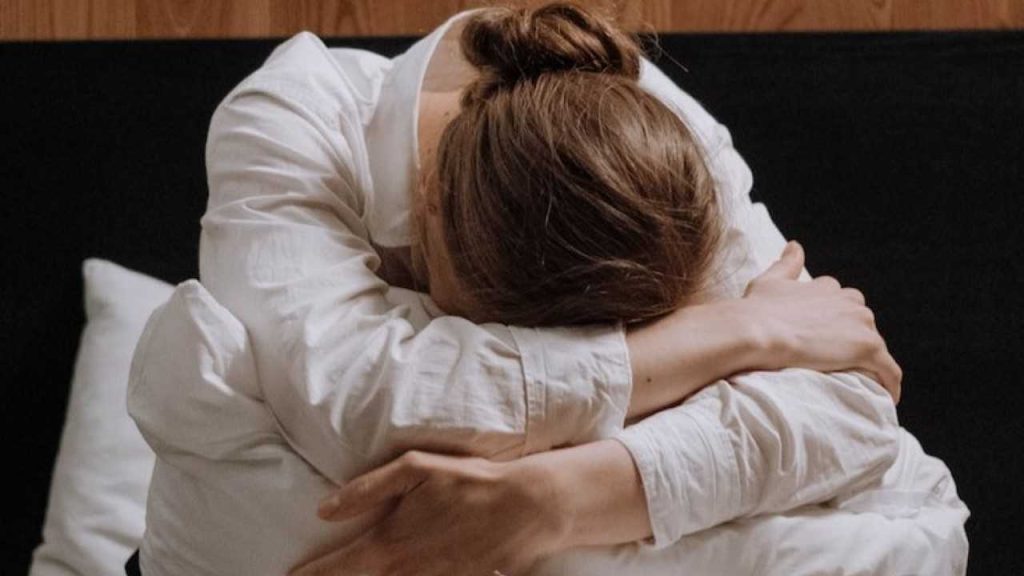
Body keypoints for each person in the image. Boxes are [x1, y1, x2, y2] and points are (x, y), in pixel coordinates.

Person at [126, 3, 965, 576]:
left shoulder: (655, 136)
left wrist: (556, 497)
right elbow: (366, 404)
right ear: (426, 213)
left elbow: (851, 412)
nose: (536, 445)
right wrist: (735, 337)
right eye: (501, 343)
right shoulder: (300, 118)